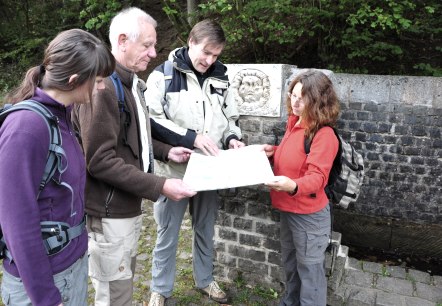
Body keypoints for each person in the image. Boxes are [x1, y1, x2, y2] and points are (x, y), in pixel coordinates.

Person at [71, 7, 196, 306]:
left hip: (125, 206)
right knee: (115, 295)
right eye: (147, 45)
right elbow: (99, 160)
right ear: (123, 40)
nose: (154, 53)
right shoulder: (102, 88)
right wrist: (161, 185)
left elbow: (133, 133)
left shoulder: (130, 82)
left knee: (123, 284)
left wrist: (166, 151)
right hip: (109, 210)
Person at [0, 29, 115, 306]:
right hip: (41, 285)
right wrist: (47, 298)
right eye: (98, 80)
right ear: (74, 80)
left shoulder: (61, 117)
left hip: (70, 268)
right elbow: (17, 223)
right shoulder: (26, 129)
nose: (102, 87)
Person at [145, 19, 244, 306]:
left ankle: (205, 280)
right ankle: (160, 290)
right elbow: (152, 119)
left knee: (205, 228)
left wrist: (232, 139)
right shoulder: (162, 75)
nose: (210, 60)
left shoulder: (221, 77)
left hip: (210, 171)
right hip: (174, 171)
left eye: (216, 55)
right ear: (190, 42)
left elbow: (231, 119)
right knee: (167, 233)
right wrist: (192, 138)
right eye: (206, 52)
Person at [262, 69, 340, 306]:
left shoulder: (324, 134)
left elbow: (317, 177)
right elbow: (295, 157)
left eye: (302, 97)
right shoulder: (295, 122)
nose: (295, 102)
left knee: (310, 272)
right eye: (293, 95)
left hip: (308, 216)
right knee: (291, 264)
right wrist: (273, 152)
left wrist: (292, 185)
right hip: (288, 208)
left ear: (317, 101)